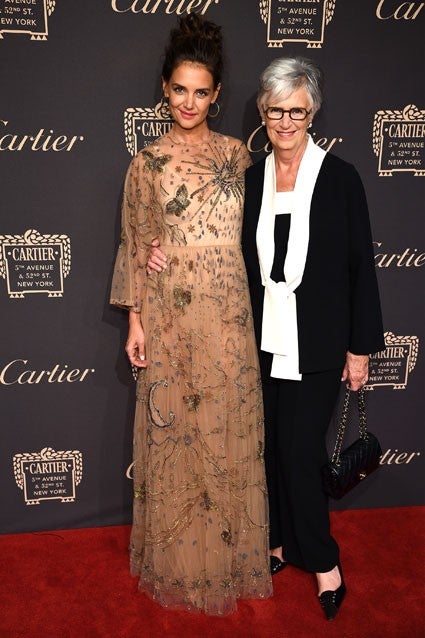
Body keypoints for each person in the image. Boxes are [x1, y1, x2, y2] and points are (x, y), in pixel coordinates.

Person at [110, 14, 272, 616]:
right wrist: (135, 320)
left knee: (225, 433)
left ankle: (227, 559)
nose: (188, 102)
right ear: (164, 87)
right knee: (177, 433)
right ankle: (178, 560)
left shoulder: (239, 157)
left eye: (201, 92)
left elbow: (262, 235)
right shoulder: (147, 163)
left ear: (217, 94)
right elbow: (135, 241)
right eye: (179, 89)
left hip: (229, 314)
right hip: (171, 314)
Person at [241, 57, 384, 620]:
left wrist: (360, 348)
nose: (285, 122)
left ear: (313, 112)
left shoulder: (341, 177)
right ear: (262, 111)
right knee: (273, 447)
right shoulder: (252, 179)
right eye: (276, 110)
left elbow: (360, 266)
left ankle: (324, 561)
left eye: (296, 111)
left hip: (320, 343)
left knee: (301, 451)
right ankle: (281, 543)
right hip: (263, 338)